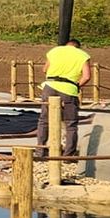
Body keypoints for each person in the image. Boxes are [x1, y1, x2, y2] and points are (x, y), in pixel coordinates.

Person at [33, 35, 93, 164]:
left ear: (67, 45)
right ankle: (68, 156)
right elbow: (87, 76)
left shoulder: (54, 51)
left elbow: (45, 69)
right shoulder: (83, 55)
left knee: (44, 120)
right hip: (69, 89)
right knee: (71, 123)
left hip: (49, 86)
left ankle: (41, 152)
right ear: (78, 47)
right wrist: (77, 85)